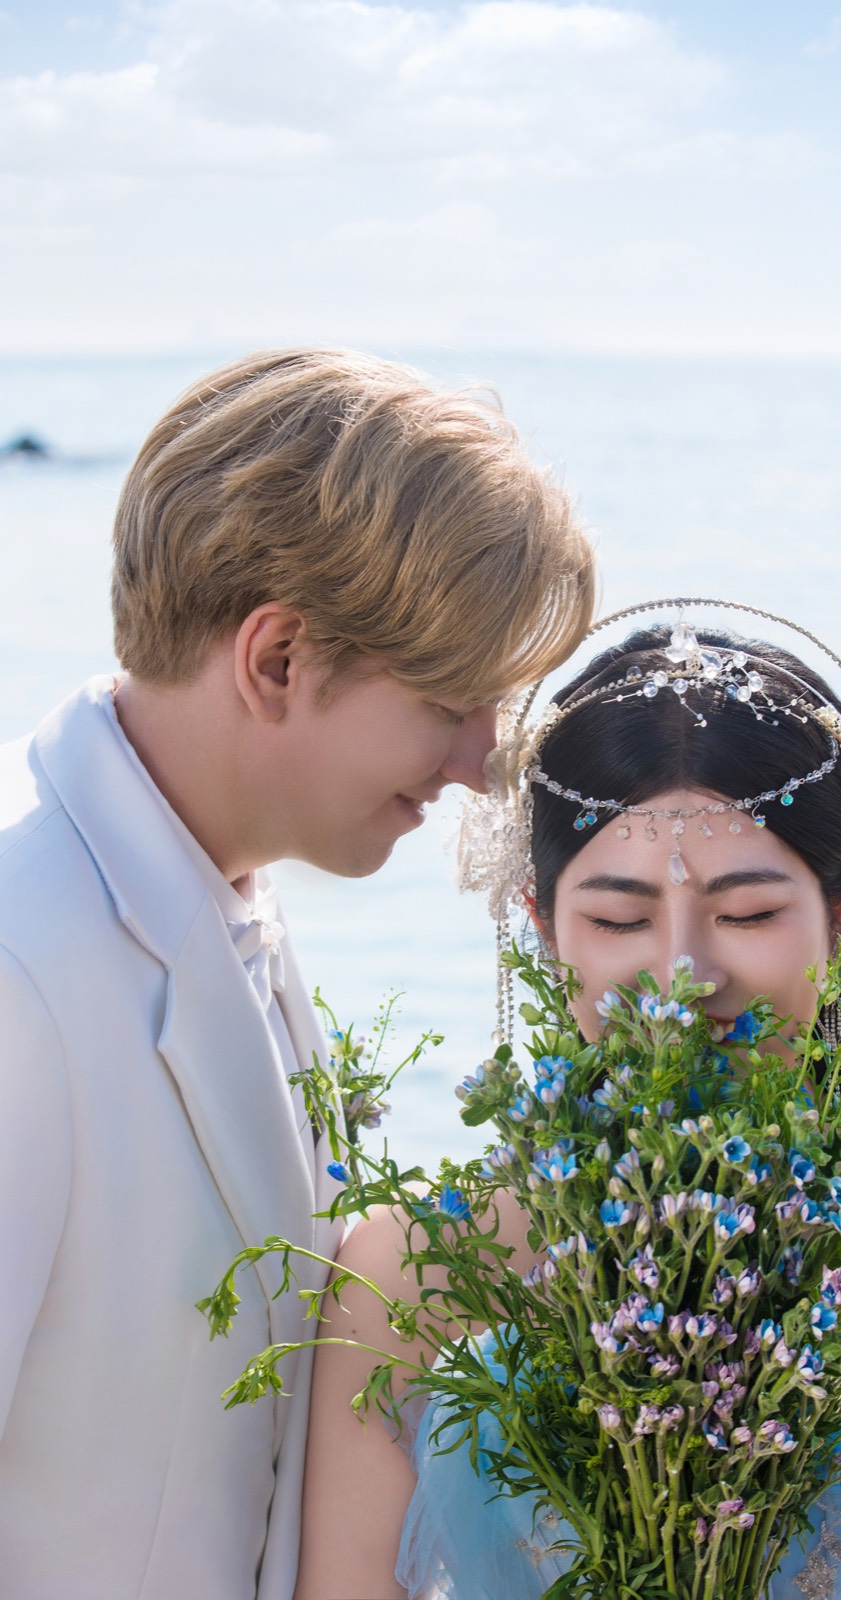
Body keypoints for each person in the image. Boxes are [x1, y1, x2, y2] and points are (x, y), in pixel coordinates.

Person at [295, 601, 841, 1600]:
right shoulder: (414, 1265)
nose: (682, 973)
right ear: (541, 921)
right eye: (619, 918)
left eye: (746, 911)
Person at [0, 347, 596, 1600]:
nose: (483, 763)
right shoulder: (19, 956)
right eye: (449, 698)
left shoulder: (222, 890)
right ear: (276, 660)